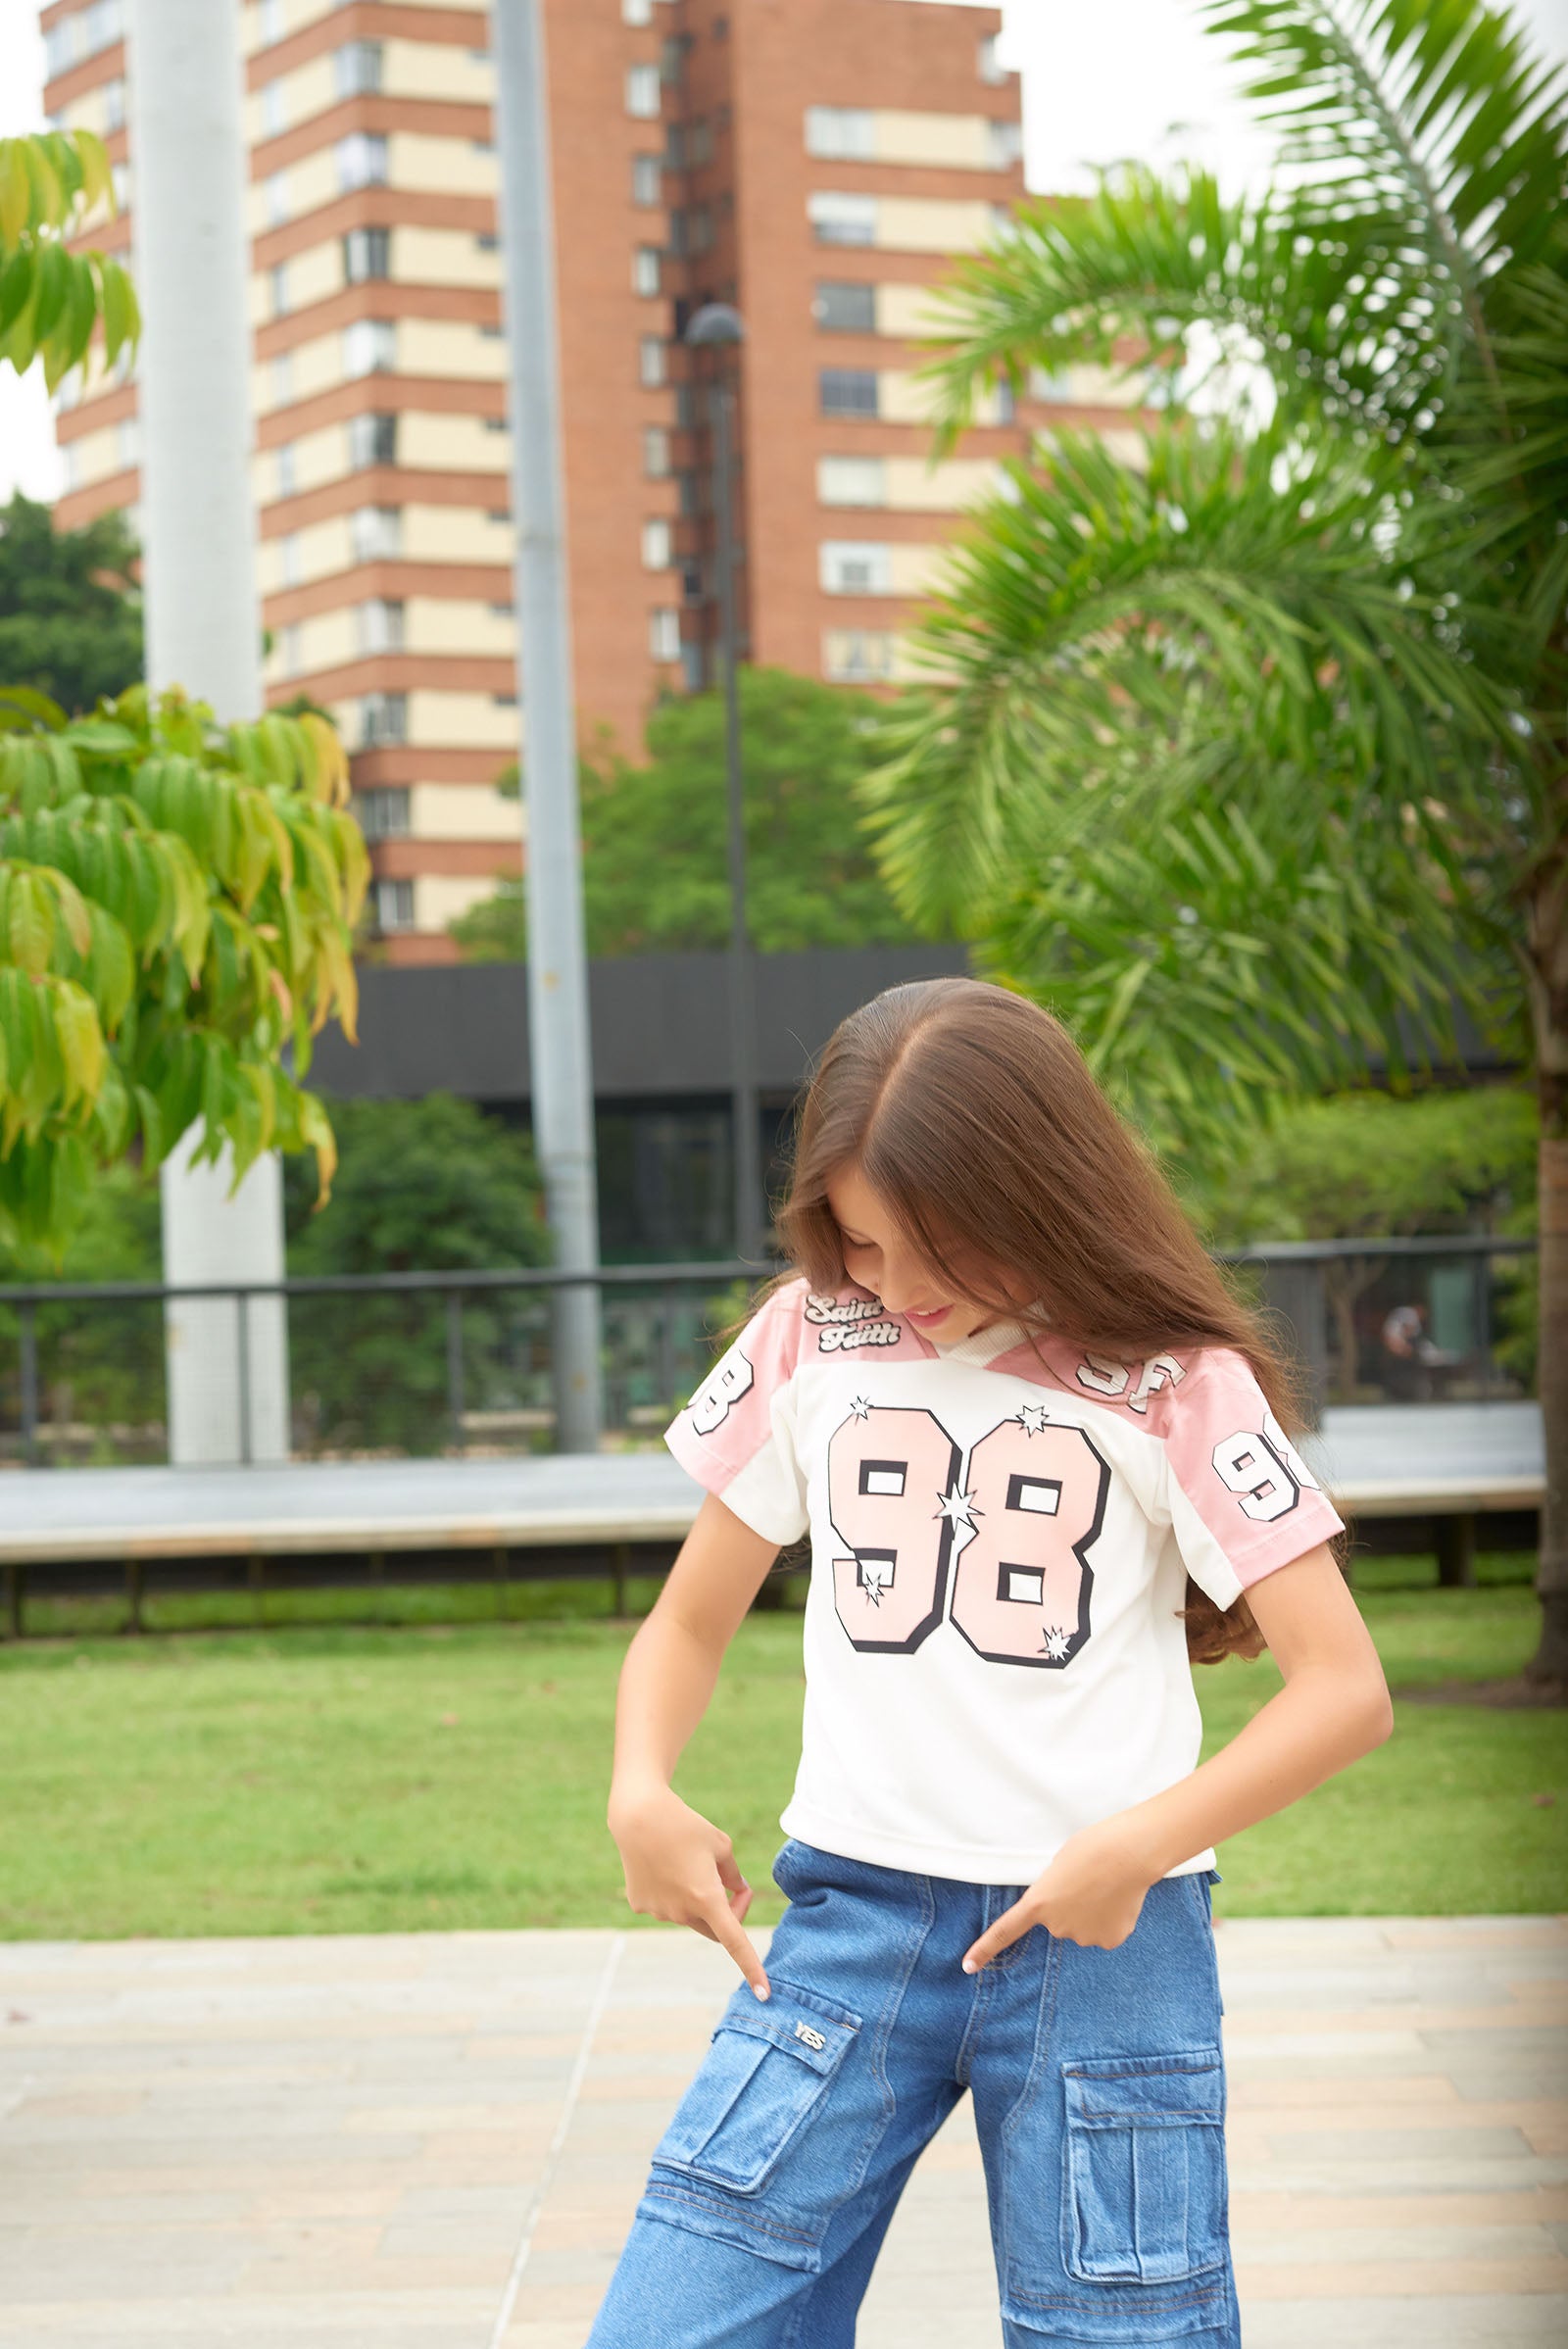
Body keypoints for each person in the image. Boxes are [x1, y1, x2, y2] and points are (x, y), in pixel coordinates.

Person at [590, 978, 1393, 2348]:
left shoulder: (1175, 1381)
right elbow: (685, 1623)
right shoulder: (808, 1335)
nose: (901, 1289)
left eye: (944, 1247)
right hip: (853, 1927)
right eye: (862, 1240)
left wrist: (1136, 1844)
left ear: (1042, 1194)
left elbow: (1345, 1688)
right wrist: (638, 1786)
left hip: (1108, 1945)